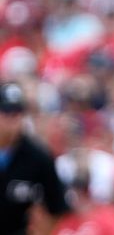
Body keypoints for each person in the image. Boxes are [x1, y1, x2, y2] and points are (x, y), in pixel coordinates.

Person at [0, 82, 71, 234]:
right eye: (6, 112)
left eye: (18, 113)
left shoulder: (38, 157)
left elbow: (56, 206)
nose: (13, 119)